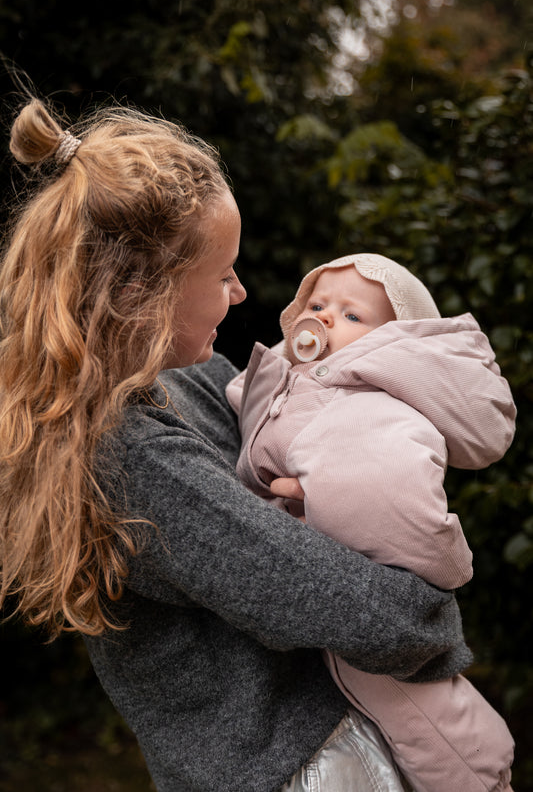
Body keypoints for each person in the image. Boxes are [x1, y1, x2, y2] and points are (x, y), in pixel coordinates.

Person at [0, 97, 476, 792]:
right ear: (143, 292)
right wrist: (435, 618)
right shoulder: (128, 454)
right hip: (294, 770)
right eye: (222, 274)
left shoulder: (193, 377)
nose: (240, 290)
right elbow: (338, 602)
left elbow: (302, 445)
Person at [226, 253, 517, 792]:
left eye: (353, 316)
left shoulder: (372, 397)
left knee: (415, 703)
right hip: (325, 582)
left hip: (372, 580)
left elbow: (383, 484)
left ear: (397, 344)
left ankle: (480, 778)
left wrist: (310, 500)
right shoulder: (293, 379)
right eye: (317, 305)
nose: (328, 318)